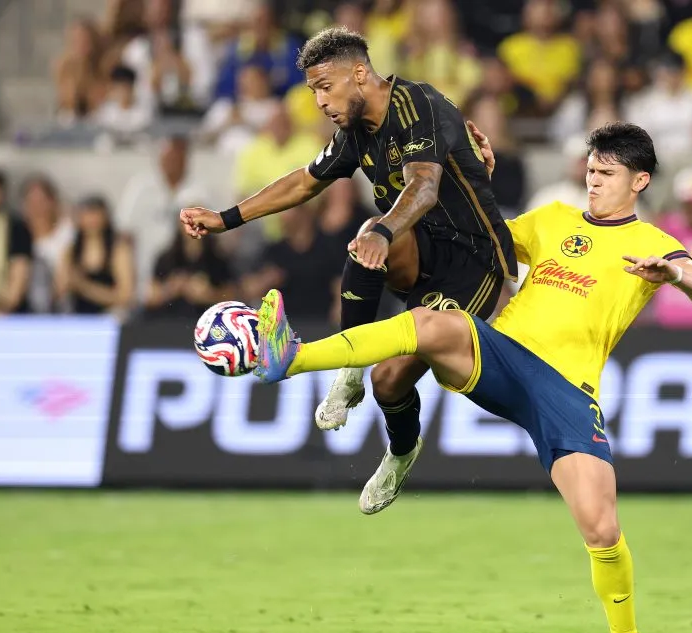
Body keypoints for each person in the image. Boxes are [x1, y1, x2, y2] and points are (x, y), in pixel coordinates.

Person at [249, 122, 692, 633]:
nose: (594, 181)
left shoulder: (654, 244)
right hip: (501, 354)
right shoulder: (554, 219)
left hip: (567, 389)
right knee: (431, 323)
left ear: (639, 181)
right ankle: (293, 357)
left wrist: (674, 275)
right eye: (591, 170)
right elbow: (479, 237)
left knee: (601, 527)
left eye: (607, 173)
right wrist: (476, 180)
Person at [179, 27, 517, 514]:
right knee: (366, 237)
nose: (319, 101)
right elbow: (304, 182)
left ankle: (401, 453)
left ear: (359, 74)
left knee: (390, 381)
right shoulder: (356, 132)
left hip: (474, 262)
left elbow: (424, 186)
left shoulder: (417, 104)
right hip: (418, 249)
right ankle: (348, 368)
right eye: (313, 90)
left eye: (325, 86)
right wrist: (226, 218)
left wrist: (385, 232)